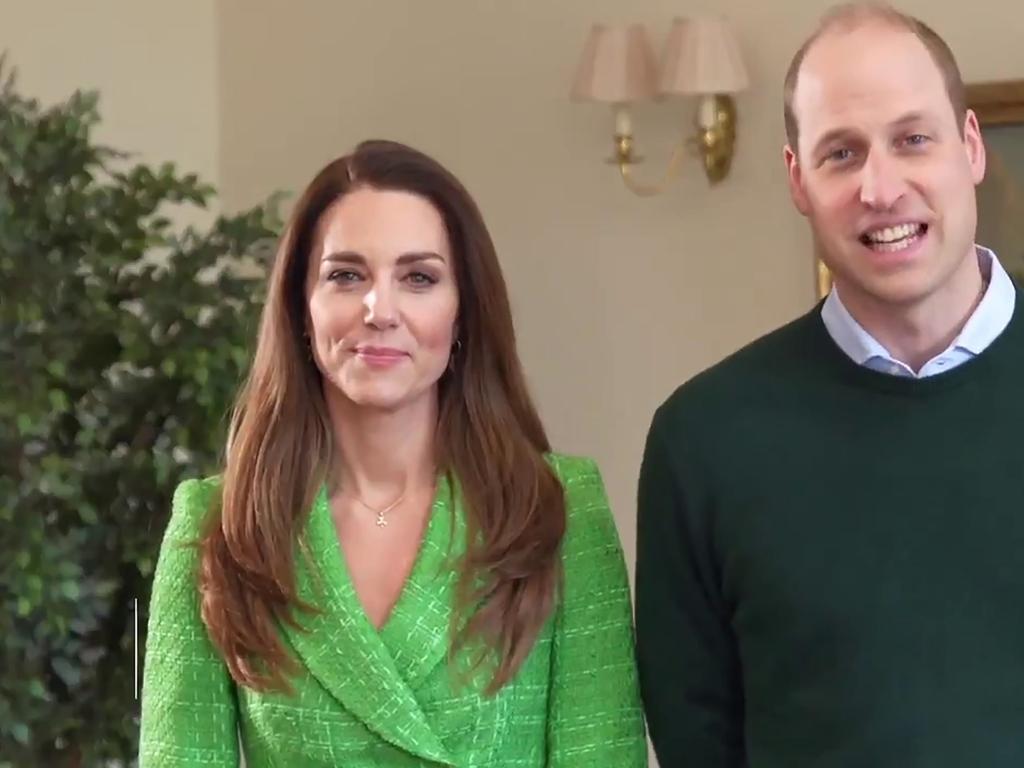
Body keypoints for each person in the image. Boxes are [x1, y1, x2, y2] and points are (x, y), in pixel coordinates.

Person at [140, 139, 647, 767]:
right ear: (303, 307)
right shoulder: (219, 522)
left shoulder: (556, 509)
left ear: (463, 313)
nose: (381, 310)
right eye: (346, 275)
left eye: (419, 278)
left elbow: (601, 755)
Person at [636, 4, 1024, 766]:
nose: (881, 188)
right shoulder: (704, 440)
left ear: (970, 146)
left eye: (913, 139)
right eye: (841, 154)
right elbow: (696, 741)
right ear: (797, 180)